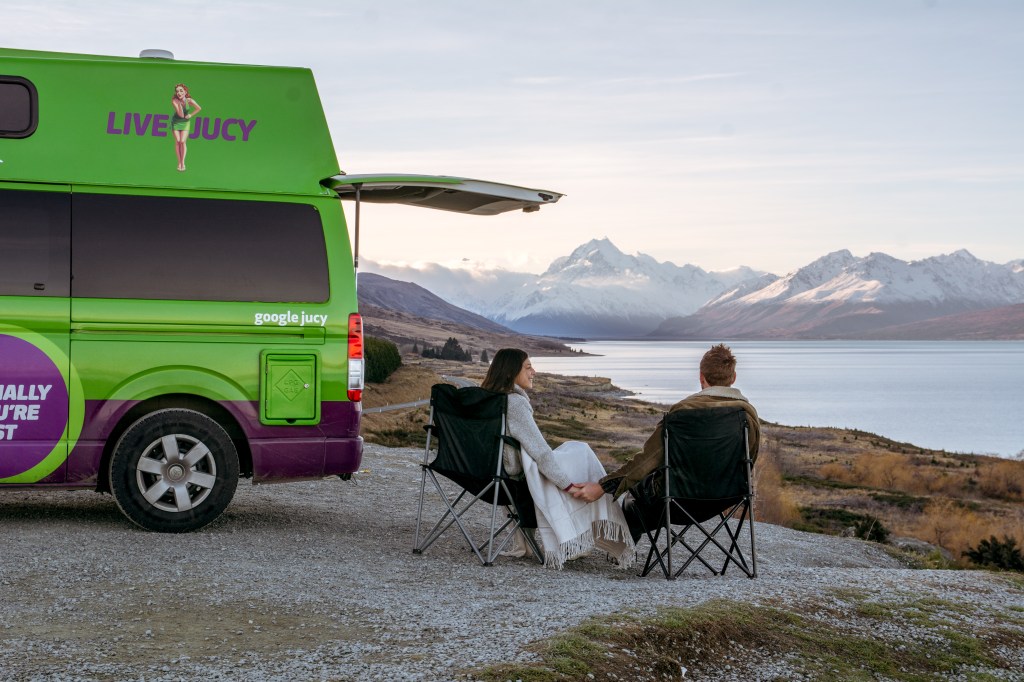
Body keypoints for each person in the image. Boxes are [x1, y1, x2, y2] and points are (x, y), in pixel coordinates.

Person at [571, 343, 760, 541]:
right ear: (733, 377)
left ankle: (622, 550)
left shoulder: (681, 414)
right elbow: (749, 459)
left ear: (701, 377)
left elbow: (646, 461)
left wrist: (602, 487)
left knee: (636, 497)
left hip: (676, 502)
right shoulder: (747, 415)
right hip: (726, 500)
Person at [481, 348, 634, 569]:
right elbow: (541, 453)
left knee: (575, 450)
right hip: (513, 476)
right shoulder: (513, 403)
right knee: (581, 452)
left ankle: (571, 538)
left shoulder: (484, 398)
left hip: (481, 474)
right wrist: (568, 486)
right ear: (510, 372)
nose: (534, 371)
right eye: (528, 367)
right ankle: (575, 538)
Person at [171, 83, 202, 171]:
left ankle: (183, 162)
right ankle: (179, 162)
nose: (179, 93)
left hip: (185, 123)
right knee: (177, 141)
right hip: (176, 122)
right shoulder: (174, 101)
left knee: (182, 141)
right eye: (177, 91)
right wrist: (180, 105)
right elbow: (180, 115)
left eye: (181, 91)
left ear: (185, 92)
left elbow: (199, 108)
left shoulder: (190, 100)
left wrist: (191, 115)